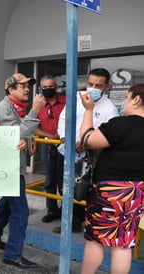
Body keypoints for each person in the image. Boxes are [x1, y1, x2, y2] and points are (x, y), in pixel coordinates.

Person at [79, 83, 144, 274]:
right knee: (122, 244)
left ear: (136, 99)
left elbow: (87, 140)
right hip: (136, 192)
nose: (125, 103)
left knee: (96, 240)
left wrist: (89, 110)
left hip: (109, 191)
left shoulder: (122, 124)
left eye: (127, 98)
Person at [55, 68, 119, 233]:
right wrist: (64, 137)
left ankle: (86, 223)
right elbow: (64, 119)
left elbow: (108, 134)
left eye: (98, 85)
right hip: (68, 152)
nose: (92, 88)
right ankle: (70, 223)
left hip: (91, 158)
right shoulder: (77, 98)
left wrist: (87, 143)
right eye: (90, 84)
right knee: (66, 188)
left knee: (85, 189)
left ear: (106, 86)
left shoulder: (110, 109)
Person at [0, 73, 45, 268]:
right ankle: (13, 254)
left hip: (15, 166)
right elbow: (14, 135)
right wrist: (35, 111)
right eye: (22, 86)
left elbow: (23, 133)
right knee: (21, 212)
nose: (27, 89)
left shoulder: (16, 107)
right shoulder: (4, 108)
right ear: (10, 89)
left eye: (27, 86)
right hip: (10, 168)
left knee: (6, 206)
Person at [35, 76, 66, 223]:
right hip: (48, 146)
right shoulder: (39, 105)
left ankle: (66, 212)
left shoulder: (67, 102)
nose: (48, 89)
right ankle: (52, 210)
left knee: (64, 182)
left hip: (66, 147)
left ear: (56, 87)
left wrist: (61, 135)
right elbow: (34, 126)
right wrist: (50, 135)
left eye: (50, 86)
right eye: (45, 87)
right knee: (50, 181)